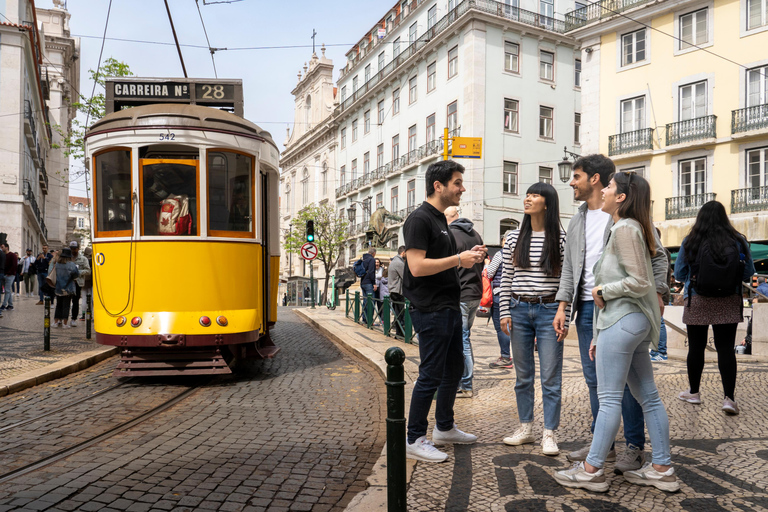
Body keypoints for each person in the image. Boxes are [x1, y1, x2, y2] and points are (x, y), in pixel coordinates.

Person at [554, 171, 679, 493]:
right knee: (648, 397)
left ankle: (591, 469)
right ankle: (662, 467)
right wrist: (599, 331)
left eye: (609, 187)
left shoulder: (624, 228)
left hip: (622, 320)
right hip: (629, 322)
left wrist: (603, 291)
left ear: (621, 196)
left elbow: (639, 281)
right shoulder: (633, 227)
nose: (605, 192)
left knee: (609, 398)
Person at [403, 160, 485, 462]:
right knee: (431, 373)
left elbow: (445, 260)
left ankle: (444, 427)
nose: (462, 188)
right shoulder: (419, 220)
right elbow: (416, 266)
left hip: (449, 305)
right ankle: (414, 437)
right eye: (457, 183)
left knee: (452, 370)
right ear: (438, 186)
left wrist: (468, 257)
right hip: (431, 308)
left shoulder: (441, 221)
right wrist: (458, 259)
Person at [498, 182, 568, 456]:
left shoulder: (560, 239)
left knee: (551, 376)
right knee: (523, 376)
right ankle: (526, 427)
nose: (527, 199)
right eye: (526, 194)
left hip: (550, 311)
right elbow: (506, 277)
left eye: (534, 195)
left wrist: (565, 312)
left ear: (547, 203)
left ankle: (549, 433)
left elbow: (566, 280)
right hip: (518, 309)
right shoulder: (514, 237)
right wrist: (504, 310)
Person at [674, 201, 754, 415]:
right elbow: (748, 273)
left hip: (697, 299)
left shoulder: (690, 241)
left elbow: (680, 274)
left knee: (696, 348)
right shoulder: (738, 241)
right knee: (726, 349)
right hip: (728, 300)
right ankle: (729, 398)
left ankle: (694, 392)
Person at [446, 205, 484, 398]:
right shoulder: (475, 234)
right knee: (464, 336)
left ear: (448, 217)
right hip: (475, 292)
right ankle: (461, 381)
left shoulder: (450, 235)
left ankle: (466, 385)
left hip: (459, 293)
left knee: (462, 339)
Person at [486, 249, 514, 369]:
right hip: (516, 295)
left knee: (501, 327)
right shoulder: (521, 252)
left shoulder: (501, 254)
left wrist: (487, 265)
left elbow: (489, 273)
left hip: (500, 294)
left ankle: (505, 357)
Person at [650, 228, 672, 362]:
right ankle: (657, 350)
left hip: (657, 291)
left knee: (659, 321)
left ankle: (660, 351)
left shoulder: (660, 252)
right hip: (658, 290)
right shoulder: (664, 251)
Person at [53, 248, 79, 328]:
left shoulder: (57, 264)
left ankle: (56, 322)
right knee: (66, 306)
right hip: (68, 288)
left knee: (58, 305)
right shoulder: (71, 265)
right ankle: (65, 323)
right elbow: (76, 274)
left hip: (58, 288)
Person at [68, 241, 91, 328]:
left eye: (74, 248)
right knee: (66, 301)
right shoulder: (67, 258)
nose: (73, 250)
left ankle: (74, 319)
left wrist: (78, 272)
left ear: (78, 249)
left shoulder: (83, 259)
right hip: (68, 282)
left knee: (75, 301)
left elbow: (88, 271)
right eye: (71, 248)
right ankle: (65, 319)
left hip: (77, 282)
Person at [388, 246, 406, 337]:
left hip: (393, 290)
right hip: (397, 291)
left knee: (397, 312)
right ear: (403, 253)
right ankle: (400, 333)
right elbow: (405, 277)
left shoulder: (394, 261)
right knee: (400, 313)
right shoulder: (399, 262)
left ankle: (398, 332)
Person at [360, 247, 377, 323]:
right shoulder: (371, 259)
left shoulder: (363, 259)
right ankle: (369, 320)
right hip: (369, 283)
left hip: (362, 282)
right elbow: (371, 272)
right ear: (374, 253)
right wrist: (374, 283)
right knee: (371, 301)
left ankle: (364, 318)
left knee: (365, 301)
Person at [1, 243, 18, 311]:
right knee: (8, 290)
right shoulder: (3, 255)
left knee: (7, 290)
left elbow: (14, 265)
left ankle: (3, 305)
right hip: (4, 274)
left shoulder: (12, 255)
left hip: (10, 275)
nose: (1, 249)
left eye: (2, 247)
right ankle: (10, 305)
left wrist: (9, 273)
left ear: (7, 247)